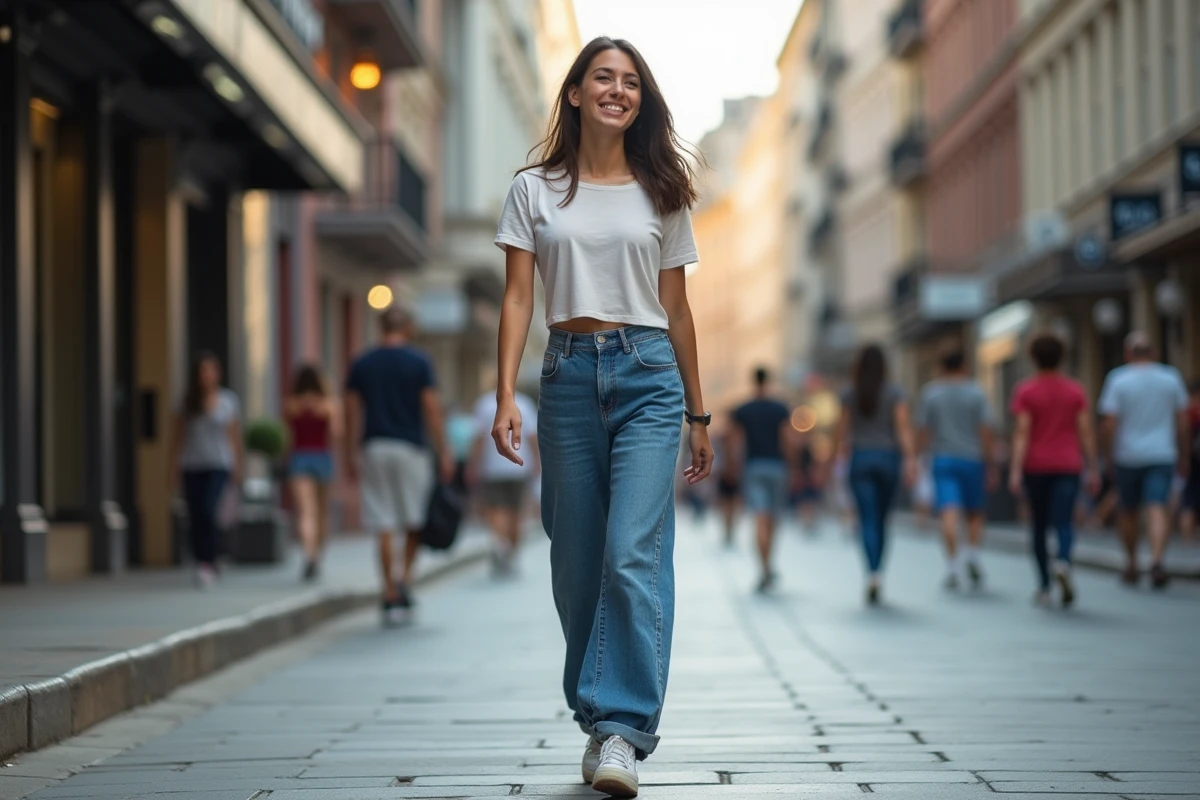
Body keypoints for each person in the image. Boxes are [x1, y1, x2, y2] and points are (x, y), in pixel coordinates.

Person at [491, 37, 711, 797]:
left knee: (630, 553)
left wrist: (699, 412)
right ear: (576, 93)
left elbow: (678, 309)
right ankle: (596, 716)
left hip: (650, 377)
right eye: (603, 78)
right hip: (566, 377)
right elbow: (517, 296)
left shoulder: (663, 190)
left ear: (640, 100)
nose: (618, 90)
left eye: (631, 82)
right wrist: (504, 396)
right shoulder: (534, 189)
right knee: (577, 562)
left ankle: (623, 728)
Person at [344, 306, 454, 623]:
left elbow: (351, 410)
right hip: (411, 449)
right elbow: (431, 407)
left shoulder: (362, 362)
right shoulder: (419, 361)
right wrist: (444, 450)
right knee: (413, 519)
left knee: (383, 521)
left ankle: (388, 590)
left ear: (381, 327)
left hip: (375, 446)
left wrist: (350, 451)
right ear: (406, 328)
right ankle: (404, 578)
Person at [1007, 334, 1100, 608]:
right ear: (1063, 357)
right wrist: (1093, 467)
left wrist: (1015, 470)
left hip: (1036, 466)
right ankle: (1063, 562)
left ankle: (1044, 586)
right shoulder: (1075, 390)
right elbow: (1085, 431)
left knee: (1038, 525)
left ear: (1033, 357)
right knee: (1064, 520)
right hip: (1068, 464)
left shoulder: (1026, 391)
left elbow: (1022, 432)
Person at [1098, 331, 1190, 589]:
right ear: (1154, 352)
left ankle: (1131, 563)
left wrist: (1108, 456)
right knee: (1157, 506)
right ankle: (1157, 560)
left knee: (1127, 510)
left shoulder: (1117, 379)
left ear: (1128, 353)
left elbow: (1109, 423)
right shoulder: (1170, 377)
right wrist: (1183, 454)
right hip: (1162, 453)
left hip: (1127, 455)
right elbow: (1183, 422)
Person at [830, 344, 918, 605]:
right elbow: (902, 427)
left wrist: (832, 460)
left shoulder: (849, 393)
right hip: (888, 459)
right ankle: (879, 572)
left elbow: (841, 429)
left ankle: (872, 574)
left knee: (866, 518)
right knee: (881, 519)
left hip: (860, 459)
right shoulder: (895, 392)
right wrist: (911, 459)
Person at [916, 346, 996, 590]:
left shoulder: (931, 393)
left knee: (948, 512)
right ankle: (973, 555)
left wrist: (919, 457)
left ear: (942, 367)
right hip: (972, 459)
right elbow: (985, 430)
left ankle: (952, 565)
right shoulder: (977, 393)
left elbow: (923, 430)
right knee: (974, 512)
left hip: (943, 459)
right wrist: (990, 461)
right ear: (964, 366)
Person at [171, 352, 243, 589]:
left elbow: (234, 437)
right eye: (203, 371)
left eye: (211, 370)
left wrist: (238, 467)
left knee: (209, 510)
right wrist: (172, 468)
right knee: (195, 515)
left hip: (219, 465)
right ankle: (200, 559)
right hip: (192, 465)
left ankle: (210, 559)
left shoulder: (228, 401)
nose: (207, 375)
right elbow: (178, 437)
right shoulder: (187, 402)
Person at [730, 367, 793, 593]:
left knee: (759, 518)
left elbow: (735, 441)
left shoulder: (743, 410)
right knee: (773, 519)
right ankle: (768, 565)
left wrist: (733, 466)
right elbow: (787, 440)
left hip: (753, 467)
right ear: (769, 381)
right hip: (777, 467)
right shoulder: (780, 408)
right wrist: (794, 467)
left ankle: (764, 567)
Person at [469, 384, 539, 577]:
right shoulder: (524, 403)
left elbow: (479, 439)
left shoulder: (484, 404)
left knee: (497, 509)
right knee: (516, 512)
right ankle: (511, 553)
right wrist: (537, 462)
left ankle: (500, 545)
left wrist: (473, 464)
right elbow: (532, 437)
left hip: (492, 468)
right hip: (520, 465)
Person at [284, 364, 339, 582]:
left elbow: (288, 435)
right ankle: (318, 555)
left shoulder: (292, 404)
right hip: (322, 457)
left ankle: (309, 554)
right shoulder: (328, 404)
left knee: (306, 512)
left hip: (299, 458)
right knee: (322, 512)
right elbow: (337, 433)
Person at [1176, 380, 1200, 543]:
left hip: (1193, 459)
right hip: (1193, 460)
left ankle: (1187, 539)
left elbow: (1182, 432)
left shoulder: (1188, 412)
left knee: (1189, 498)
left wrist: (1183, 457)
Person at [714, 427, 741, 547]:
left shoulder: (735, 443)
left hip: (732, 477)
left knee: (732, 507)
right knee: (727, 507)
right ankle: (728, 531)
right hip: (727, 477)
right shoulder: (726, 443)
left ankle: (729, 531)